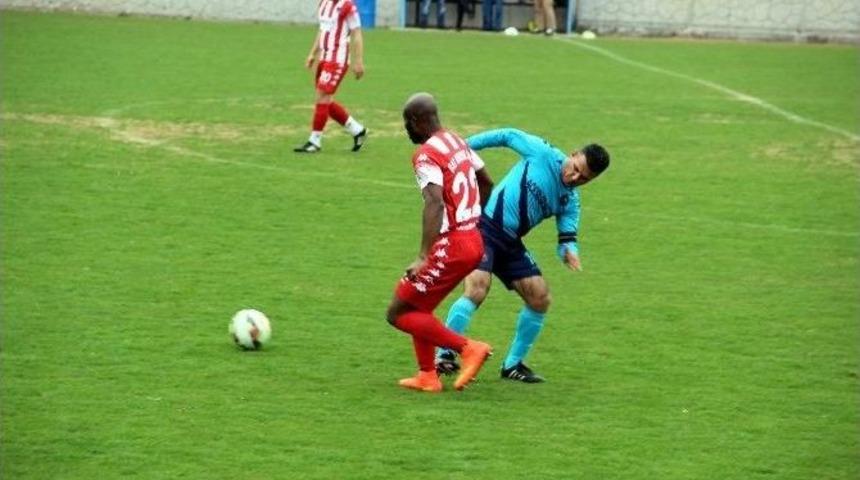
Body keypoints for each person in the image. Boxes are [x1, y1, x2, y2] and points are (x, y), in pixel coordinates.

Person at [436, 128, 610, 383]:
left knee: (540, 298)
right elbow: (507, 135)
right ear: (573, 154)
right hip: (483, 227)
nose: (574, 177)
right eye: (575, 167)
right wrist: (465, 147)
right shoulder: (542, 152)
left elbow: (567, 237)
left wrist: (570, 252)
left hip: (510, 243)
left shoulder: (569, 201)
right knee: (477, 289)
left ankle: (512, 365)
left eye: (583, 178)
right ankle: (444, 354)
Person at [386, 93, 495, 393]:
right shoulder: (457, 141)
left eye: (407, 122)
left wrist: (424, 255)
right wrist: (472, 219)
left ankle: (468, 348)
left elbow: (433, 201)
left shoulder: (426, 155)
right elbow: (486, 182)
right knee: (421, 306)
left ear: (418, 121)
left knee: (398, 313)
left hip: (452, 245)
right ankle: (427, 376)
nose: (406, 129)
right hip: (473, 239)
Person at [294, 0, 368, 154]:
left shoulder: (348, 6)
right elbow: (322, 30)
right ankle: (357, 130)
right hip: (324, 59)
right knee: (325, 99)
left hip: (338, 60)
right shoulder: (323, 3)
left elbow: (356, 33)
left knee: (322, 97)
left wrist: (359, 61)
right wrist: (312, 53)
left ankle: (315, 141)